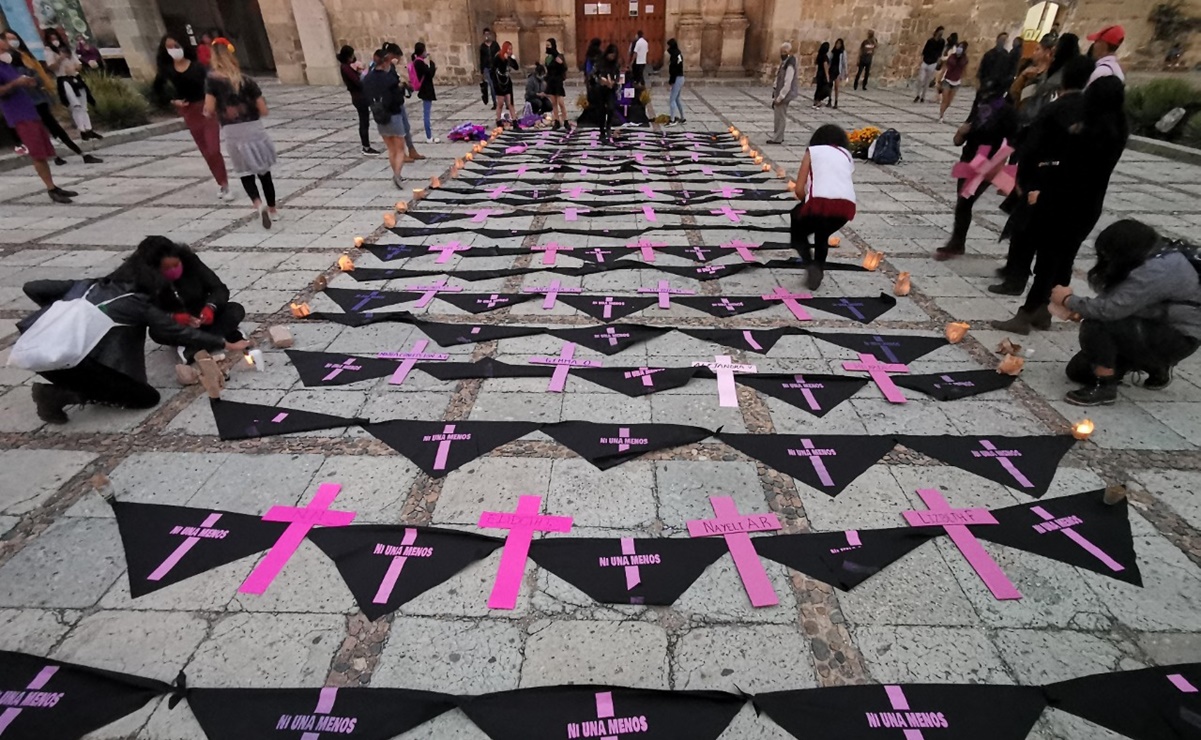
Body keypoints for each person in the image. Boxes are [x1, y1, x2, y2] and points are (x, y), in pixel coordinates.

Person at [20, 251, 249, 424]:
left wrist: (63, 314)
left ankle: (65, 384)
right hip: (77, 362)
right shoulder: (136, 303)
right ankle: (55, 395)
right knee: (145, 398)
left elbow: (32, 287)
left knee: (232, 310)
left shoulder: (89, 285)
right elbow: (175, 331)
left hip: (37, 351)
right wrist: (225, 343)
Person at [992, 69, 1129, 335]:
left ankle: (1027, 313)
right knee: (1064, 258)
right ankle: (1045, 311)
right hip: (1088, 206)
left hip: (1063, 202)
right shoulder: (1116, 130)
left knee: (1047, 259)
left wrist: (1042, 191)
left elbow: (1071, 172)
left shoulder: (1089, 134)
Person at [1054, 219, 1201, 405]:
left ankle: (1104, 387)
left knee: (1097, 324)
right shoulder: (1153, 252)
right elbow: (1120, 296)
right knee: (1078, 371)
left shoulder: (1156, 270)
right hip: (1152, 324)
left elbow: (1109, 311)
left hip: (1177, 337)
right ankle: (1154, 365)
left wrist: (1068, 300)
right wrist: (1083, 308)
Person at [127, 235, 246, 364]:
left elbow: (219, 288)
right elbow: (144, 310)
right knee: (157, 332)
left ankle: (195, 348)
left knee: (235, 310)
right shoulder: (143, 279)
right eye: (167, 268)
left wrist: (211, 307)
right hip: (177, 326)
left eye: (176, 264)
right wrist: (173, 317)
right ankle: (221, 336)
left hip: (202, 315)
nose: (173, 270)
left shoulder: (191, 262)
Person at [934, 80, 1017, 260]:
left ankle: (956, 243)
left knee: (965, 200)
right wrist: (961, 132)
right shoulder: (980, 105)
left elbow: (1012, 140)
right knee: (963, 201)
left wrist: (1001, 164)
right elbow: (963, 134)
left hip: (988, 161)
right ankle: (957, 242)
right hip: (969, 158)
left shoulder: (1007, 111)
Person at [204, 37, 278, 228]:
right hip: (254, 129)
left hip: (233, 132)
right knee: (264, 172)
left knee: (245, 173)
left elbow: (209, 108)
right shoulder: (247, 81)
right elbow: (264, 110)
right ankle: (273, 209)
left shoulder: (212, 81)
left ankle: (257, 203)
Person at [1, 29, 99, 165]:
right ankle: (56, 157)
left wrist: (35, 81)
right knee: (41, 131)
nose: (11, 42)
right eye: (7, 39)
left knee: (53, 126)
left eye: (13, 38)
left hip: (38, 96)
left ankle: (79, 153)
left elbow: (36, 73)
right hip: (24, 102)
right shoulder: (7, 61)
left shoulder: (24, 55)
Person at [0, 36, 77, 202]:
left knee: (43, 150)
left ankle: (53, 186)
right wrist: (16, 83)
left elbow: (17, 82)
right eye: (3, 40)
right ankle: (50, 188)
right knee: (37, 153)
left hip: (29, 110)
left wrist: (28, 82)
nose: (7, 43)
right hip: (18, 113)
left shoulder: (6, 64)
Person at [155, 36, 231, 200]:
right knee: (205, 151)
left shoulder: (198, 67)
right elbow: (156, 90)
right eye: (169, 47)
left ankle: (224, 182)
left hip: (206, 108)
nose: (174, 49)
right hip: (189, 112)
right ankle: (221, 183)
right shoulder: (167, 70)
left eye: (176, 45)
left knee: (213, 149)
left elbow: (213, 85)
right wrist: (173, 101)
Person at [790, 124, 857, 290]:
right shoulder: (846, 155)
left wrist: (805, 202)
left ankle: (810, 264)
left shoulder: (813, 152)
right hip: (846, 208)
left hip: (820, 203)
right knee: (822, 233)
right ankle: (818, 267)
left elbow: (799, 188)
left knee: (797, 229)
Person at [362, 47, 409, 189]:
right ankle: (397, 174)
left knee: (391, 149)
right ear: (386, 62)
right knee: (400, 148)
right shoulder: (389, 77)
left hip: (379, 115)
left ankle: (396, 174)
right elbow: (397, 95)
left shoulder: (369, 77)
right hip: (393, 114)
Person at [42, 29, 100, 141]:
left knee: (83, 105)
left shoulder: (67, 49)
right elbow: (51, 67)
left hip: (75, 77)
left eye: (56, 38)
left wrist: (76, 67)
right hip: (63, 79)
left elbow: (78, 63)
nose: (55, 41)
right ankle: (82, 129)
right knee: (75, 105)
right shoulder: (49, 52)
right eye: (52, 39)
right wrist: (60, 59)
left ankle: (89, 129)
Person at [381, 42, 424, 162]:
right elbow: (388, 84)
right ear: (391, 55)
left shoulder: (391, 68)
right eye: (398, 57)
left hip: (398, 101)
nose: (399, 60)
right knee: (398, 131)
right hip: (391, 104)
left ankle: (411, 149)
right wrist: (399, 84)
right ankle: (402, 153)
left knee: (406, 127)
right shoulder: (384, 68)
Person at [337, 45, 379, 156]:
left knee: (365, 121)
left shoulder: (347, 66)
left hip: (361, 96)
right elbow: (357, 82)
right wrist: (364, 74)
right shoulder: (345, 68)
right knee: (364, 122)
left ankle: (366, 145)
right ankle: (366, 147)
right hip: (359, 97)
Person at [767, 43, 799, 144]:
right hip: (779, 92)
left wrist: (780, 97)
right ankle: (778, 135)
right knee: (778, 115)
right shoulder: (785, 63)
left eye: (784, 52)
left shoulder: (790, 65)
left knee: (780, 116)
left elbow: (787, 83)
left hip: (784, 94)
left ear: (789, 52)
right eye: (781, 52)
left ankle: (778, 138)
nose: (782, 54)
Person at [591, 44, 621, 142]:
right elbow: (593, 74)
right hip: (600, 90)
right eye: (611, 55)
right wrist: (601, 80)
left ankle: (608, 127)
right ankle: (602, 131)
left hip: (611, 90)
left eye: (614, 56)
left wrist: (613, 82)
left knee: (611, 108)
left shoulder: (615, 64)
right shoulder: (600, 62)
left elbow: (617, 75)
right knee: (601, 111)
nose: (612, 57)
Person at [412, 42, 438, 143]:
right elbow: (429, 74)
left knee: (427, 113)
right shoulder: (419, 63)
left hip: (425, 90)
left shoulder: (418, 62)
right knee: (426, 114)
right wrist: (432, 64)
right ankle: (429, 137)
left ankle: (429, 135)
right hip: (426, 91)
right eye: (425, 50)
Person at [491, 41, 519, 128]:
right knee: (500, 103)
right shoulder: (498, 57)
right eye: (509, 49)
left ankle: (514, 121)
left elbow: (516, 67)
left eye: (511, 49)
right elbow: (497, 69)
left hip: (507, 82)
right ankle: (498, 121)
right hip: (499, 82)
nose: (510, 51)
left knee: (510, 102)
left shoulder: (509, 58)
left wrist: (511, 59)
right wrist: (505, 60)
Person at [938, 41, 968, 123]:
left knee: (949, 102)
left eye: (961, 47)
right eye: (959, 47)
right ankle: (941, 116)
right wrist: (940, 79)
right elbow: (945, 67)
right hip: (947, 80)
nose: (959, 49)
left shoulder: (965, 59)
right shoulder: (952, 57)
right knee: (945, 99)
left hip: (956, 81)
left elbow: (964, 70)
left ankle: (943, 111)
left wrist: (962, 78)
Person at [915, 26, 946, 103]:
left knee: (927, 81)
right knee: (921, 79)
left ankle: (923, 96)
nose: (941, 34)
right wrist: (921, 60)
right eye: (940, 32)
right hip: (925, 61)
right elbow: (924, 51)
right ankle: (918, 95)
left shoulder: (942, 42)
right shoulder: (930, 41)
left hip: (933, 63)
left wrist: (938, 61)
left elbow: (940, 52)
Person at [544, 38, 569, 131]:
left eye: (549, 45)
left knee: (561, 103)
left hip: (558, 81)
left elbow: (563, 67)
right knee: (554, 103)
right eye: (546, 46)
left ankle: (566, 121)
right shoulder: (547, 58)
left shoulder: (559, 56)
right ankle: (557, 121)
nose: (547, 47)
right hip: (551, 81)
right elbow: (548, 70)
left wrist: (557, 59)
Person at [666, 38, 685, 126]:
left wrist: (671, 82)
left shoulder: (674, 56)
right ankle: (682, 117)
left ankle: (672, 120)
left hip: (677, 78)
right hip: (681, 78)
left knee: (672, 100)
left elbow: (674, 70)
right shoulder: (679, 54)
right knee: (677, 99)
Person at [479, 28, 499, 107]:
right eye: (485, 35)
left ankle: (504, 101)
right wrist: (482, 71)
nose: (487, 36)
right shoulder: (482, 46)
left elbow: (499, 55)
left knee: (498, 85)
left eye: (488, 34)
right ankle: (495, 102)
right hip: (487, 68)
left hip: (495, 67)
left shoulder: (495, 45)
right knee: (491, 85)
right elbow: (481, 59)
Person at [813, 42, 832, 109]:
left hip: (819, 74)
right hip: (823, 75)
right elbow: (825, 67)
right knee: (824, 90)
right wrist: (827, 77)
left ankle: (815, 101)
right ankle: (818, 101)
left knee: (818, 88)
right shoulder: (825, 57)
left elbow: (816, 64)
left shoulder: (819, 56)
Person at [829, 39, 847, 108]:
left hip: (838, 71)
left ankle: (836, 101)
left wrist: (846, 72)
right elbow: (830, 61)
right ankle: (829, 100)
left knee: (836, 87)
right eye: (837, 43)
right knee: (830, 86)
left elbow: (844, 63)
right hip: (832, 70)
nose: (838, 45)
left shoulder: (842, 52)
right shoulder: (833, 52)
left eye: (839, 44)